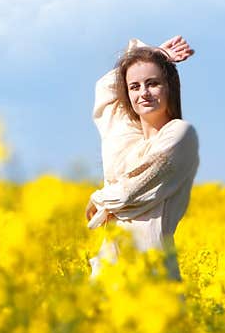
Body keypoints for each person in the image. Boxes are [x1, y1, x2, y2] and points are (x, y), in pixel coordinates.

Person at [85, 35, 199, 281]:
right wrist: (157, 53)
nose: (143, 93)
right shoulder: (124, 133)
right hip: (109, 276)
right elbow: (105, 89)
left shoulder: (179, 134)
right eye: (134, 87)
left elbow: (128, 193)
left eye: (153, 83)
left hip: (152, 278)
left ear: (169, 86)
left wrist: (98, 198)